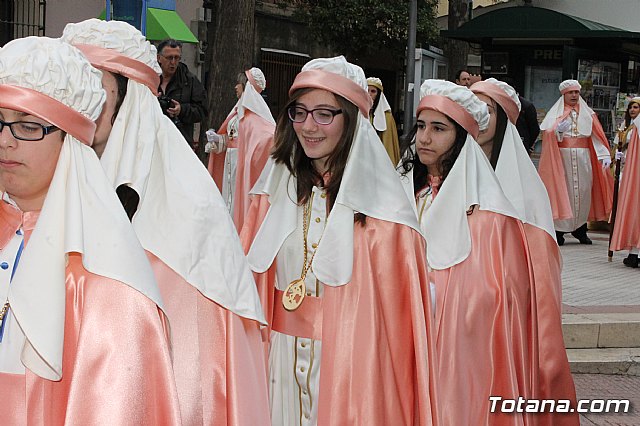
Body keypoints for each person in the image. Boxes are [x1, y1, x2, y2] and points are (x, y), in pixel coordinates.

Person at [62, 19, 270, 425]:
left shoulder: (189, 211)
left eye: (92, 83)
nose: (76, 99)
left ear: (131, 96)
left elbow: (195, 380)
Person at [240, 56, 438, 425]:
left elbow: (401, 330)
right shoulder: (272, 196)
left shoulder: (386, 218)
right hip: (277, 367)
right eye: (299, 112)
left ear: (352, 121)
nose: (308, 126)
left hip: (352, 375)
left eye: (324, 114)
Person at [0, 36, 180, 423]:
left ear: (70, 141)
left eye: (28, 126)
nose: (4, 141)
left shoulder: (110, 287)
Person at [402, 79, 540, 424]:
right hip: (402, 338)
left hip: (455, 352)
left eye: (438, 129)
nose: (424, 138)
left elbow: (498, 300)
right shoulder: (404, 194)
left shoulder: (489, 214)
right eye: (420, 126)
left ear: (462, 137)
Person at [471, 78, 579, 425]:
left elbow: (539, 277)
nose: (478, 118)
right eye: (472, 109)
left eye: (487, 110)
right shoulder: (446, 173)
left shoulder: (526, 190)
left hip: (503, 317)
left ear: (503, 118)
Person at [538, 79, 613, 246]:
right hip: (562, 158)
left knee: (583, 191)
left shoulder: (588, 113)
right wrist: (557, 131)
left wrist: (604, 155)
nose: (574, 95)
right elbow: (548, 134)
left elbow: (596, 136)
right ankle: (559, 230)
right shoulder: (556, 114)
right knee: (564, 191)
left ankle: (580, 229)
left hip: (583, 158)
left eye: (576, 92)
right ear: (564, 95)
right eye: (570, 92)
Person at [206, 67, 275, 231]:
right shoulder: (237, 113)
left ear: (246, 87)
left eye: (239, 84)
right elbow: (231, 138)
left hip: (242, 165)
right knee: (228, 197)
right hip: (231, 162)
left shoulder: (254, 117)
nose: (235, 87)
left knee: (237, 199)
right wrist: (218, 140)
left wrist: (249, 152)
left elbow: (268, 137)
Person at [157, 38, 208, 149]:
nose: (173, 62)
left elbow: (202, 110)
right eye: (169, 58)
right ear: (159, 58)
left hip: (180, 143)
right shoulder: (150, 78)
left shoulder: (189, 80)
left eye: (177, 58)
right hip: (154, 141)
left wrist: (181, 110)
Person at [609, 97, 640, 268]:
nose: (633, 110)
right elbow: (618, 146)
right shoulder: (626, 127)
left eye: (636, 107)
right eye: (631, 107)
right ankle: (633, 252)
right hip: (628, 172)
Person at [367, 77, 400, 165]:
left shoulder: (386, 117)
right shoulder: (359, 113)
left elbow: (388, 146)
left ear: (378, 94)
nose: (369, 94)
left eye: (373, 91)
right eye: (367, 90)